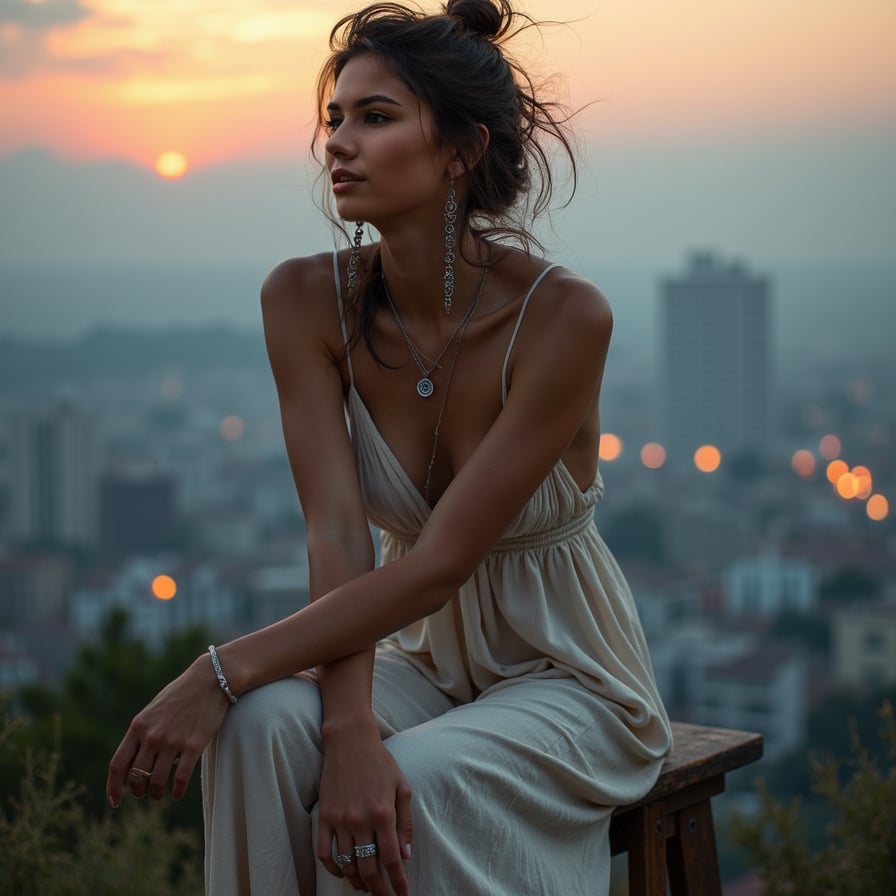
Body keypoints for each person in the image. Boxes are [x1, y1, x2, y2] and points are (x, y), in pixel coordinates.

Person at [106, 1, 672, 894]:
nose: (339, 142)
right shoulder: (301, 300)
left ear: (461, 149)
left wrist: (217, 669)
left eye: (376, 117)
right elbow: (337, 535)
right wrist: (345, 724)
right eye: (334, 118)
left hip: (568, 671)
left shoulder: (564, 317)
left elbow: (443, 562)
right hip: (415, 655)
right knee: (256, 729)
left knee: (402, 785)